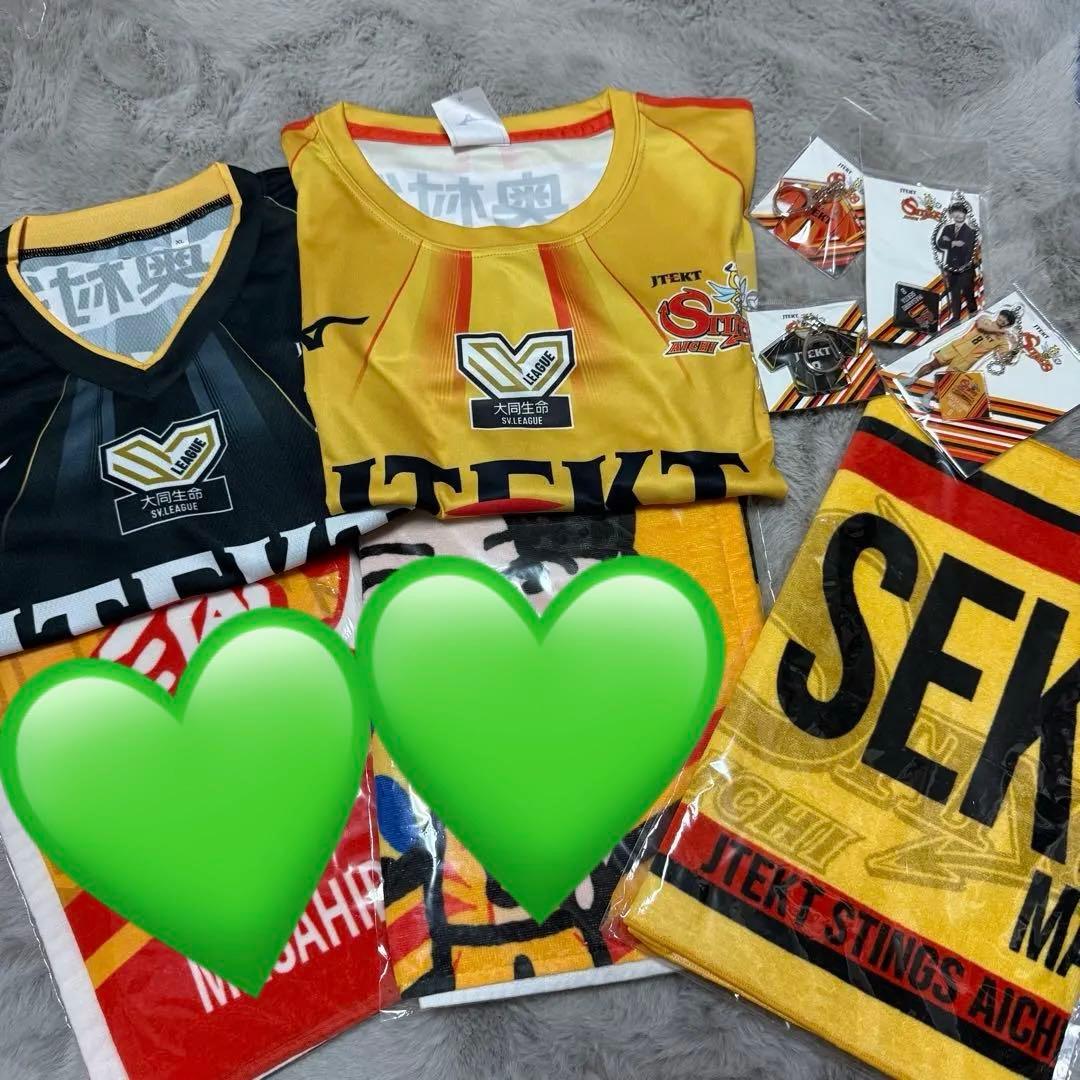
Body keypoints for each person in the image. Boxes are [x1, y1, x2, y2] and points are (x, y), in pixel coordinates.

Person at [897, 308, 1019, 409]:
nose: (1003, 320)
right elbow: (982, 327)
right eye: (1003, 316)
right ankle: (911, 380)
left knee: (946, 379)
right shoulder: (985, 320)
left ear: (1008, 324)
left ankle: (928, 396)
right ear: (999, 314)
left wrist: (1014, 347)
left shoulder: (1003, 340)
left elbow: (1003, 358)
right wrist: (999, 331)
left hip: (967, 360)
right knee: (933, 364)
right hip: (955, 347)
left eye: (1007, 320)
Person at [935, 202, 979, 321]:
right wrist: (953, 243)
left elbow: (967, 249)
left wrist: (949, 242)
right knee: (954, 294)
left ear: (965, 214)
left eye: (961, 212)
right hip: (951, 268)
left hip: (966, 269)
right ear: (952, 214)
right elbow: (940, 243)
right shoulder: (947, 228)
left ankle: (974, 315)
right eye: (956, 212)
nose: (958, 215)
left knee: (968, 293)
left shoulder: (971, 231)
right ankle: (955, 318)